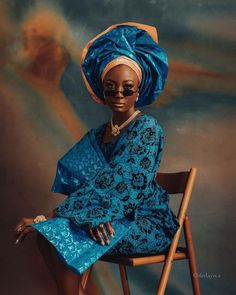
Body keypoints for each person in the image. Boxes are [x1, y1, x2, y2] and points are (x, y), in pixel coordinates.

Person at [14, 22, 180, 295]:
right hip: (106, 218)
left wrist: (95, 214)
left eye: (127, 88)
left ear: (139, 90)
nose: (118, 95)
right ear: (101, 91)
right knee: (47, 238)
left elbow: (122, 185)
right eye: (110, 87)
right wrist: (54, 219)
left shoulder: (147, 129)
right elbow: (86, 185)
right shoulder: (98, 135)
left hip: (145, 223)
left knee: (61, 237)